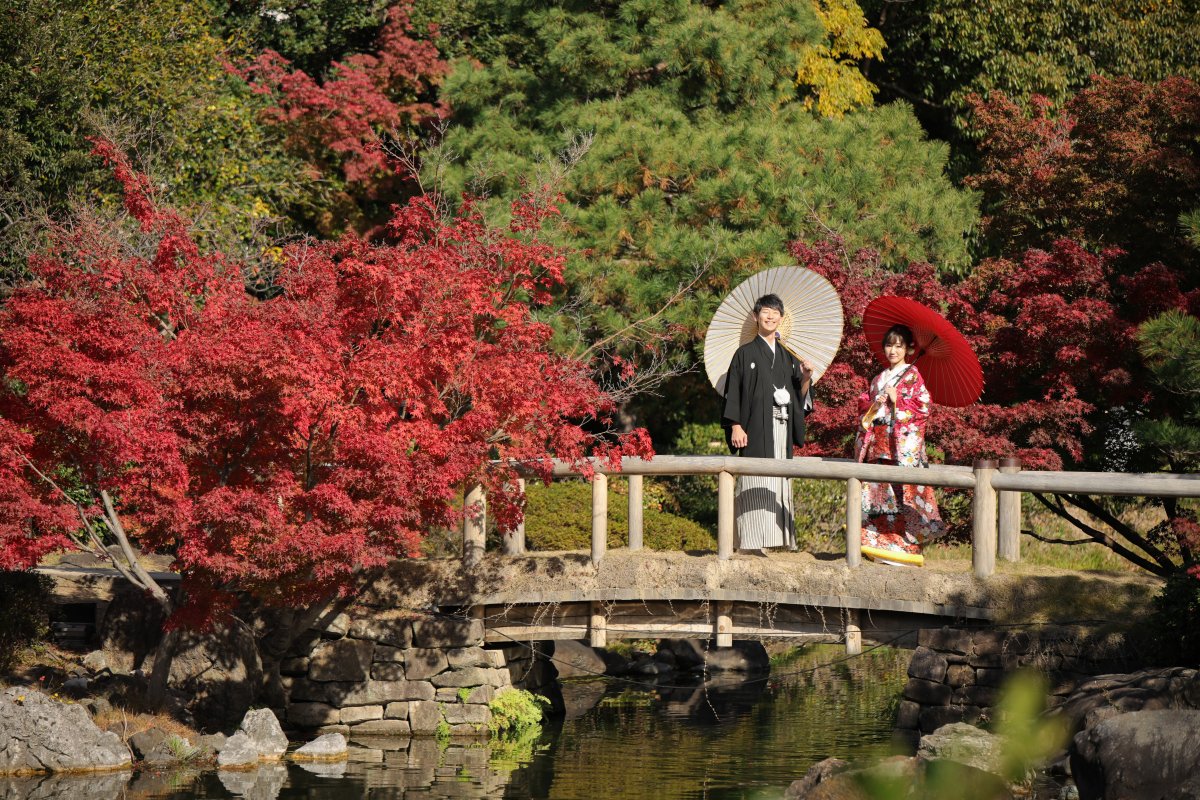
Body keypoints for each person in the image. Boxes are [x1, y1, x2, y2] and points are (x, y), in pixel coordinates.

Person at [722, 294, 813, 553]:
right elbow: (734, 391)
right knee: (755, 477)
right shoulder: (744, 354)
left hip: (782, 426)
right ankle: (752, 542)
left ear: (781, 319)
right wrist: (736, 425)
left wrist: (806, 377)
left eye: (775, 313)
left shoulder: (788, 356)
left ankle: (777, 540)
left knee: (778, 478)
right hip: (754, 427)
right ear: (756, 316)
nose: (770, 316)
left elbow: (801, 395)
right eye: (765, 312)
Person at [854, 324, 943, 566]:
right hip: (877, 443)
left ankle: (903, 548)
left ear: (908, 349)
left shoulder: (913, 375)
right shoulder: (878, 378)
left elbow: (923, 407)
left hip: (899, 445)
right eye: (889, 345)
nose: (892, 350)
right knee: (877, 493)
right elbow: (865, 413)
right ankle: (875, 544)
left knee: (899, 492)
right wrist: (874, 405)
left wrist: (899, 400)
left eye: (898, 346)